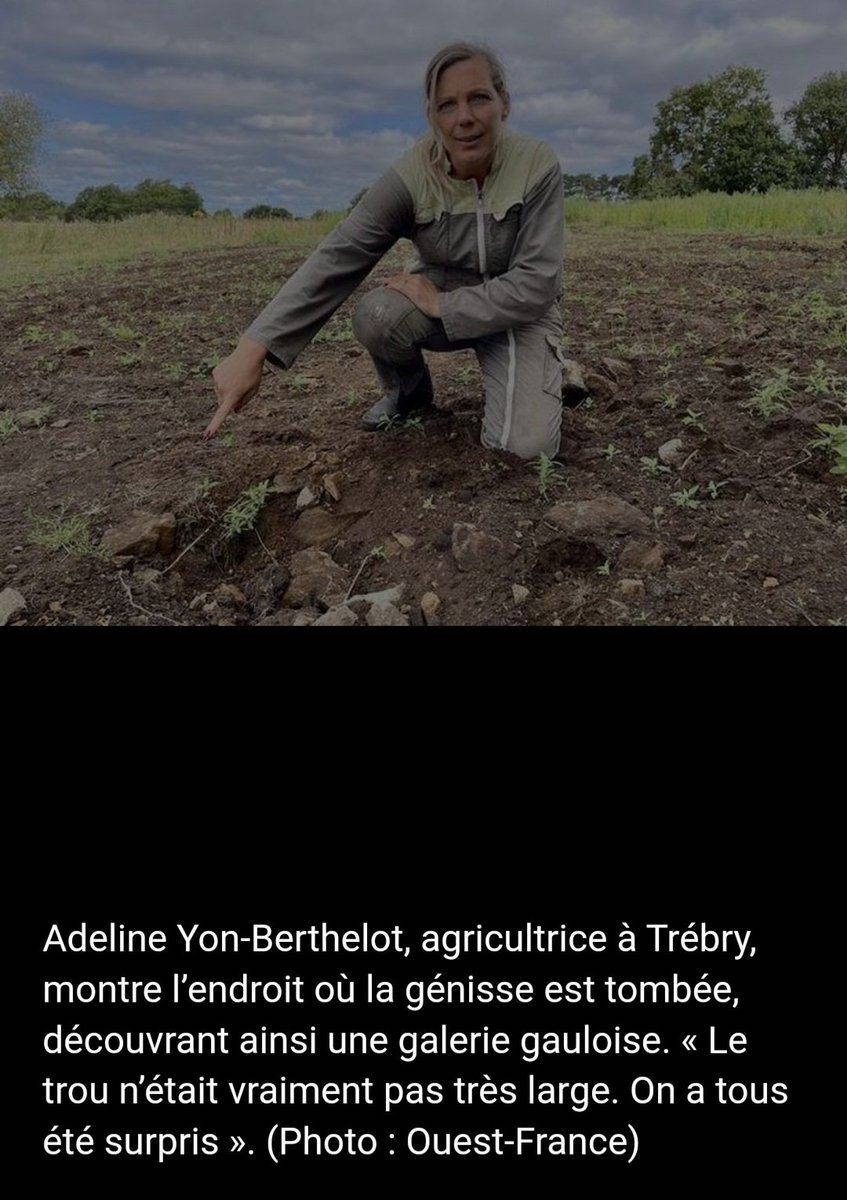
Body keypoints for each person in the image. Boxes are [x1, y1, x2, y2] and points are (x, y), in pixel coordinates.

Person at [205, 42, 565, 460]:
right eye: (446, 105)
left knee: (525, 449)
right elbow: (341, 251)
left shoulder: (536, 164)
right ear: (432, 117)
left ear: (504, 103)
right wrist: (254, 348)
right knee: (379, 315)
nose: (464, 118)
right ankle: (408, 395)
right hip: (439, 301)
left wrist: (446, 305)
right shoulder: (413, 174)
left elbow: (537, 284)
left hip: (518, 311)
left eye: (479, 98)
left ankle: (541, 374)